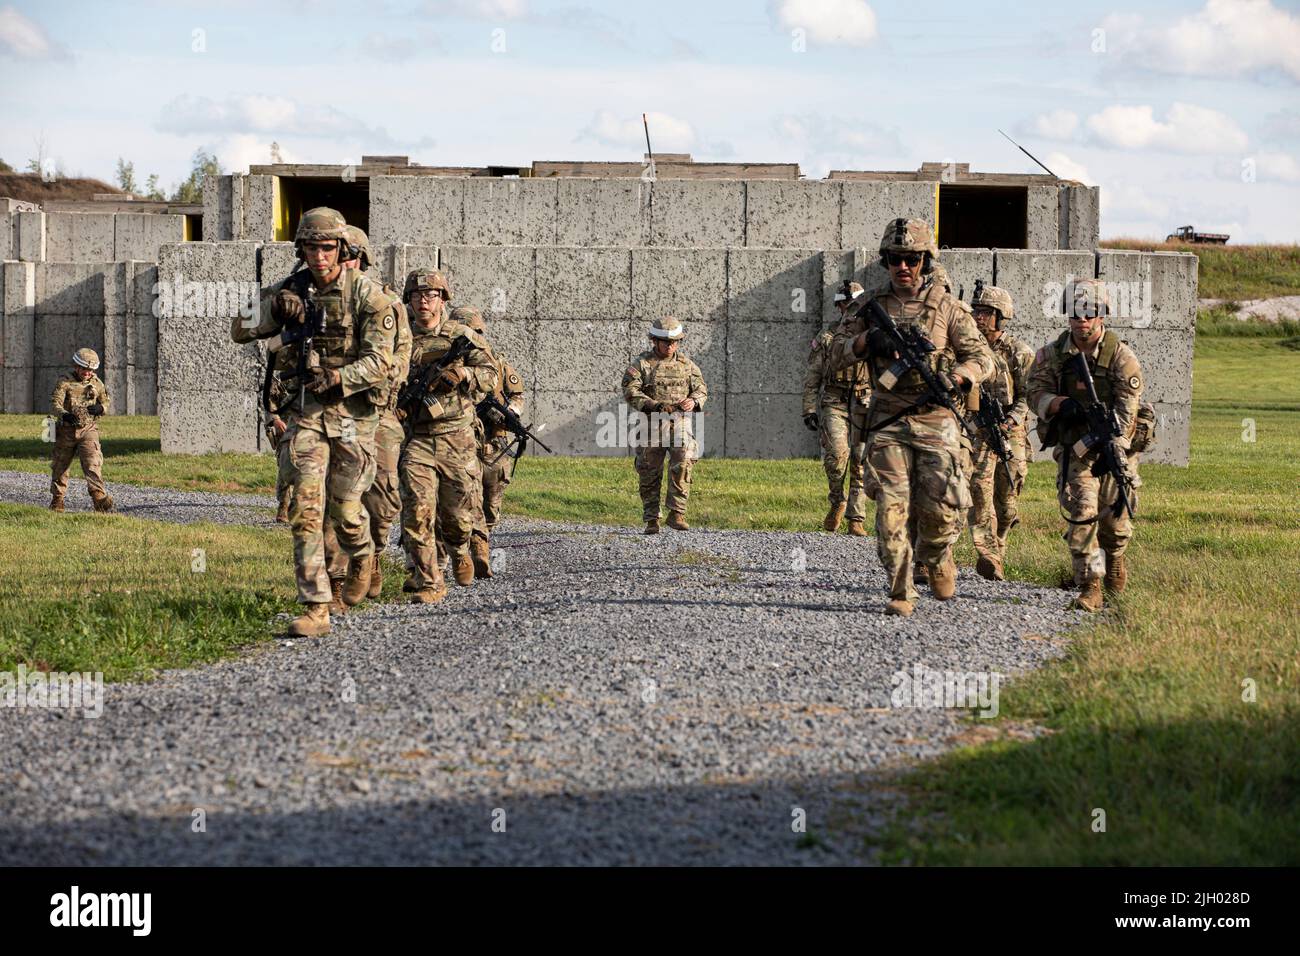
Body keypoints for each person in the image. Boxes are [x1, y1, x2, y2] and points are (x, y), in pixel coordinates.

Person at [232, 207, 397, 637]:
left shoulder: (368, 296)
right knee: (306, 510)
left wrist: (340, 377)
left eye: (327, 247)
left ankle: (362, 555)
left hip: (352, 419)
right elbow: (238, 328)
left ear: (341, 249)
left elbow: (381, 362)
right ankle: (316, 607)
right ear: (301, 250)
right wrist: (272, 310)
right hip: (306, 416)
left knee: (346, 511)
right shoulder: (291, 290)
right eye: (311, 247)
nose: (319, 256)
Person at [828, 218, 995, 616]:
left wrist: (958, 376)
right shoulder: (868, 308)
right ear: (885, 261)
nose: (903, 267)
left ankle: (936, 557)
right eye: (895, 259)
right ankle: (901, 589)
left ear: (925, 261)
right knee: (890, 510)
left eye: (912, 260)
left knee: (942, 509)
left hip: (937, 418)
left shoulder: (948, 308)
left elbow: (982, 358)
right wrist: (867, 340)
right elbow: (832, 353)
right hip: (887, 420)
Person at [1027, 278, 1148, 612]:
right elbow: (1033, 392)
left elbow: (1127, 415)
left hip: (1115, 447)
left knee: (1115, 522)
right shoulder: (1052, 356)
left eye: (1089, 313)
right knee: (1081, 515)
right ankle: (1090, 584)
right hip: (1074, 448)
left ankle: (1116, 560)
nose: (1082, 320)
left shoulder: (1122, 359)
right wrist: (1056, 404)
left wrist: (1112, 445)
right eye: (1076, 313)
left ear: (1102, 315)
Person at [397, 271, 497, 602]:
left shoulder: (461, 335)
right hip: (418, 438)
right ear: (408, 300)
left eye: (430, 296)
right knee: (417, 511)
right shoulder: (399, 337)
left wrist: (464, 373)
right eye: (416, 296)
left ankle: (459, 550)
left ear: (443, 299)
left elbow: (490, 373)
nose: (423, 302)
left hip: (457, 436)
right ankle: (430, 581)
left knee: (458, 516)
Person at [339, 227, 413, 601]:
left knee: (383, 501)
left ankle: (374, 555)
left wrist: (376, 374)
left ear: (362, 260)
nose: (343, 264)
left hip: (378, 411)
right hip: (336, 412)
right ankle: (339, 577)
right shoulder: (317, 299)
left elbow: (401, 359)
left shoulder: (387, 304)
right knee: (336, 494)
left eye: (349, 256)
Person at [450, 305, 526, 579]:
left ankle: (482, 540)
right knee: (462, 497)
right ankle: (474, 550)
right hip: (461, 440)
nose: (469, 335)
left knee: (491, 502)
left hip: (494, 443)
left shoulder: (496, 361)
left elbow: (516, 393)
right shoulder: (445, 362)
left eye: (474, 331)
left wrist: (509, 413)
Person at [966, 284, 1034, 581]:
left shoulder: (1018, 352)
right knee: (980, 492)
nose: (978, 317)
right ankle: (990, 554)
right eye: (976, 311)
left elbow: (1029, 395)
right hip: (979, 430)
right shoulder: (967, 350)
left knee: (1006, 501)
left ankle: (1001, 536)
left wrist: (1011, 421)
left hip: (1011, 429)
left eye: (985, 313)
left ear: (1000, 316)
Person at [622, 317, 708, 534]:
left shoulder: (687, 365)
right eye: (665, 342)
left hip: (679, 424)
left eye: (674, 342)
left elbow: (701, 389)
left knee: (684, 461)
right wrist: (653, 404)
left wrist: (694, 401)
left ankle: (677, 512)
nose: (670, 346)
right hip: (651, 425)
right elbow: (631, 390)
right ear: (655, 341)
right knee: (649, 471)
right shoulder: (642, 364)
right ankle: (652, 519)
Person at [803, 280, 873, 535]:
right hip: (834, 400)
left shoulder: (871, 334)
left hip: (863, 401)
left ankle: (856, 519)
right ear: (841, 306)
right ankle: (837, 500)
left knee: (860, 460)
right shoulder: (827, 337)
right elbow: (813, 376)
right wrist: (809, 409)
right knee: (836, 458)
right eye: (848, 305)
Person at [49, 348, 112, 513]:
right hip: (66, 431)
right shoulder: (65, 382)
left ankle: (99, 498)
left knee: (93, 462)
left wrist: (101, 408)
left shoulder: (97, 384)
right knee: (60, 466)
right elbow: (55, 404)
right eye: (84, 368)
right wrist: (65, 415)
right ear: (76, 366)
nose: (87, 372)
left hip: (88, 429)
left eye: (90, 369)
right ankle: (58, 500)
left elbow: (106, 403)